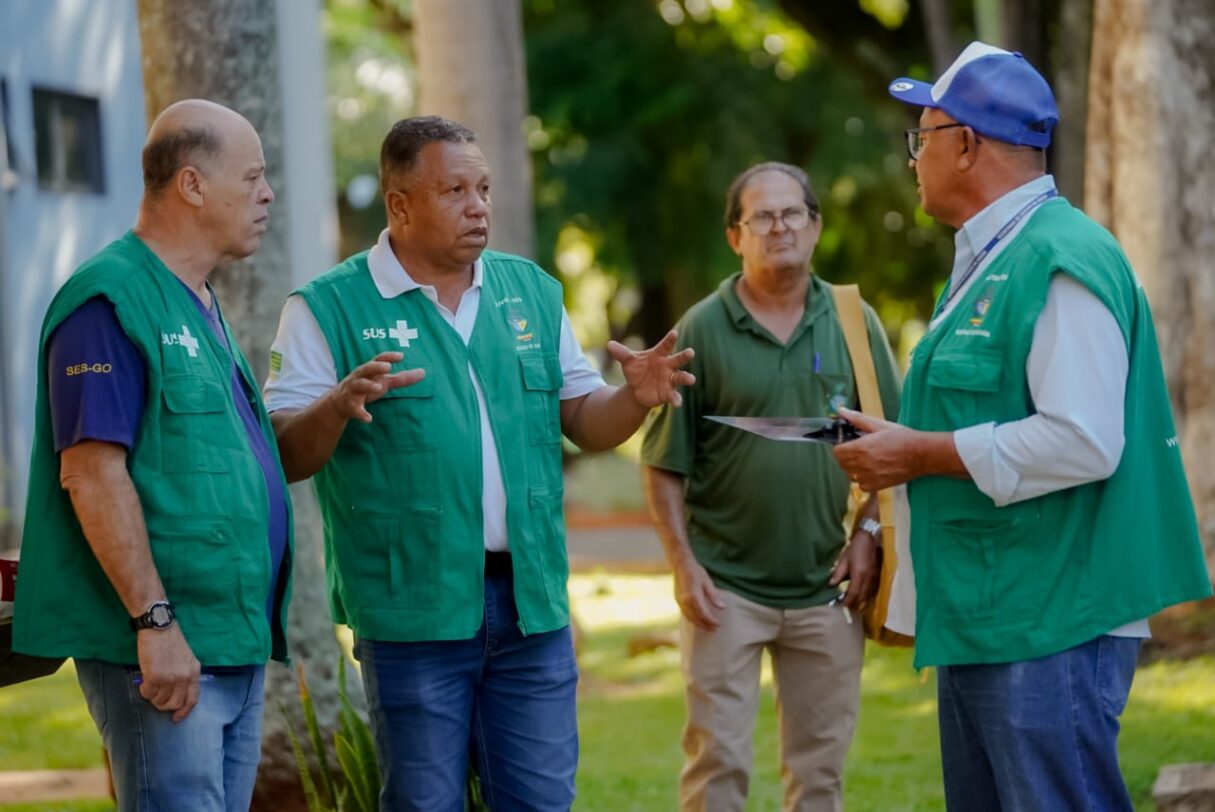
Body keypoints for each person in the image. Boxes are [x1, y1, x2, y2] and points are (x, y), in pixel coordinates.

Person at [263, 115, 694, 812]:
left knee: (540, 802)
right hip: (412, 615)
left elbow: (584, 419)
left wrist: (634, 400)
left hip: (530, 610)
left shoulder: (530, 292)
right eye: (455, 190)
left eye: (484, 188)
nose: (478, 206)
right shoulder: (327, 307)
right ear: (399, 205)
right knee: (425, 804)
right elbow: (283, 452)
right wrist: (337, 406)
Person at [832, 42, 1214, 810]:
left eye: (923, 136)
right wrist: (888, 492)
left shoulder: (1059, 259)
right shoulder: (989, 257)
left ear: (966, 144)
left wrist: (921, 454)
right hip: (994, 613)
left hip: (1051, 625)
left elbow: (1082, 439)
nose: (913, 158)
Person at [12, 99, 293, 811]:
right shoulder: (108, 300)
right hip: (163, 652)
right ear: (192, 185)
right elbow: (91, 472)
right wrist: (155, 624)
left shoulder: (196, 300)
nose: (267, 194)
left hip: (228, 642)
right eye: (252, 177)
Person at [640, 162, 901, 811]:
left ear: (814, 226)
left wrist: (868, 531)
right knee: (716, 766)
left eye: (792, 213)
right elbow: (662, 462)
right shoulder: (700, 328)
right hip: (723, 591)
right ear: (736, 235)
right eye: (762, 215)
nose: (778, 226)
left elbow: (894, 447)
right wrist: (682, 567)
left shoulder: (853, 322)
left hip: (827, 588)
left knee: (819, 777)